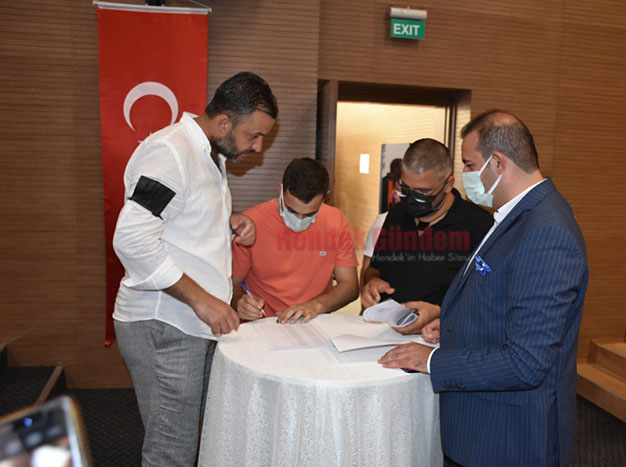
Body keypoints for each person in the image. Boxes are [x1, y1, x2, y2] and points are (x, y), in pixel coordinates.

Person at [378, 110, 588, 467]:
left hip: (509, 437)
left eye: (469, 164)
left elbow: (526, 362)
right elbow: (502, 300)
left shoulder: (546, 232)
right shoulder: (514, 215)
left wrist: (430, 359)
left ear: (498, 163)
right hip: (483, 428)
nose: (465, 174)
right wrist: (453, 324)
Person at [112, 72, 277, 467]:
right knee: (171, 450)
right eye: (254, 136)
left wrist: (228, 221)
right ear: (224, 122)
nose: (258, 146)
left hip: (188, 323)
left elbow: (176, 218)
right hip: (164, 323)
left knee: (189, 438)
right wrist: (202, 300)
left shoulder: (209, 153)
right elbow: (132, 239)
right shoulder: (170, 152)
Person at [361, 138, 492, 333]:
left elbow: (488, 296)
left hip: (440, 337)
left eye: (422, 192)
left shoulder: (479, 225)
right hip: (385, 333)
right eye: (406, 189)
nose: (412, 199)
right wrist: (372, 282)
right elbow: (374, 269)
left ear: (448, 184)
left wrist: (440, 312)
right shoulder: (397, 214)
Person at [233, 158, 359, 324]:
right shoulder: (251, 224)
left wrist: (315, 306)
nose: (299, 220)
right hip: (264, 324)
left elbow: (350, 286)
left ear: (326, 197)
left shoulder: (336, 221)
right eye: (291, 211)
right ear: (281, 189)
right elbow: (231, 284)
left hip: (313, 322)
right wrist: (240, 303)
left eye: (310, 214)